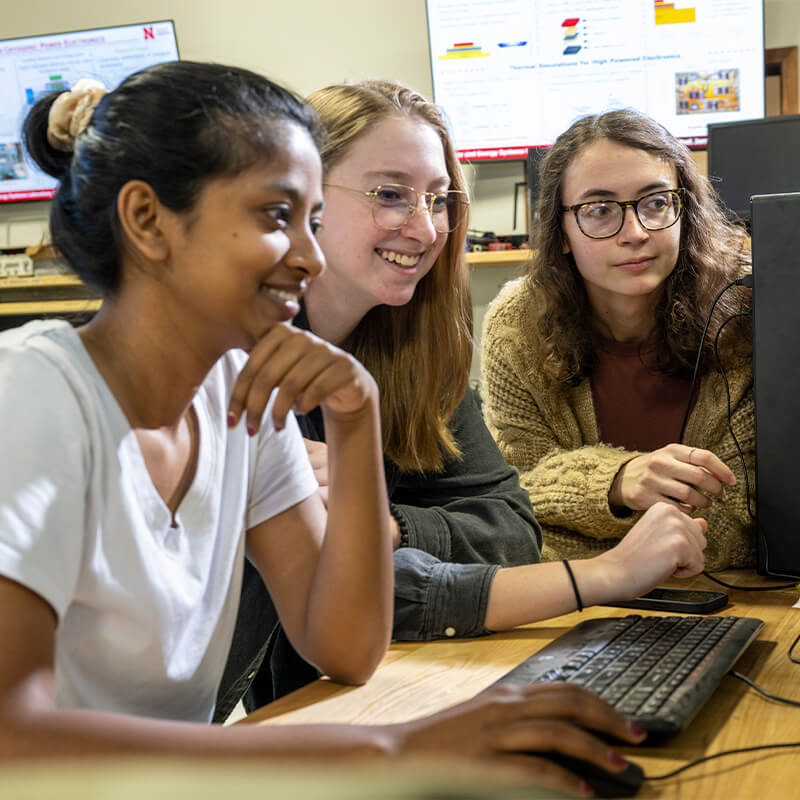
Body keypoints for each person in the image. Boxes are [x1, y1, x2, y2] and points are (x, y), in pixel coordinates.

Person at [0, 60, 657, 798]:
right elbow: (13, 742)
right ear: (148, 220)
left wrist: (355, 419)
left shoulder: (245, 403)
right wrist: (387, 752)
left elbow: (346, 646)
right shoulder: (30, 390)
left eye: (313, 219)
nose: (308, 257)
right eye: (279, 217)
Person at [220, 82, 709, 717]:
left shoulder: (412, 351)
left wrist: (386, 523)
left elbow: (510, 528)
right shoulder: (229, 361)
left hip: (336, 699)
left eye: (439, 199)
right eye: (389, 195)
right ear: (297, 196)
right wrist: (605, 574)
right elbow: (382, 593)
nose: (425, 228)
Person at [481, 108, 754, 570]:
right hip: (573, 609)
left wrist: (577, 535)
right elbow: (512, 503)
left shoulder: (746, 314)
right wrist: (616, 481)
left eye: (656, 202)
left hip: (721, 601)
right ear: (562, 231)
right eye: (599, 211)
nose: (635, 233)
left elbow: (745, 519)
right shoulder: (516, 325)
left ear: (684, 209)